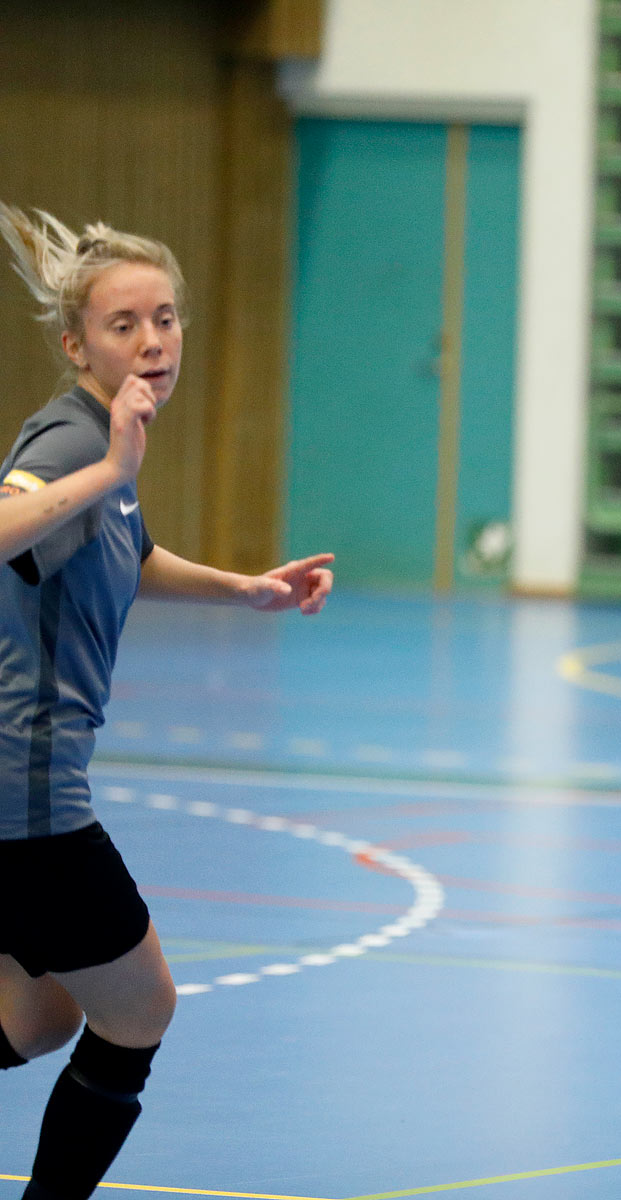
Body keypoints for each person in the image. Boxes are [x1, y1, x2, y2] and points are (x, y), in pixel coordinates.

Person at [0, 204, 335, 1199]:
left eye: (166, 318)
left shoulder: (112, 442)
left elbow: (123, 554)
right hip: (25, 799)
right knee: (140, 1008)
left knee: (39, 1015)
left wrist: (243, 588)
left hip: (24, 791)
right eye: (124, 324)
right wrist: (108, 466)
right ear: (77, 345)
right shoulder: (73, 442)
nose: (153, 341)